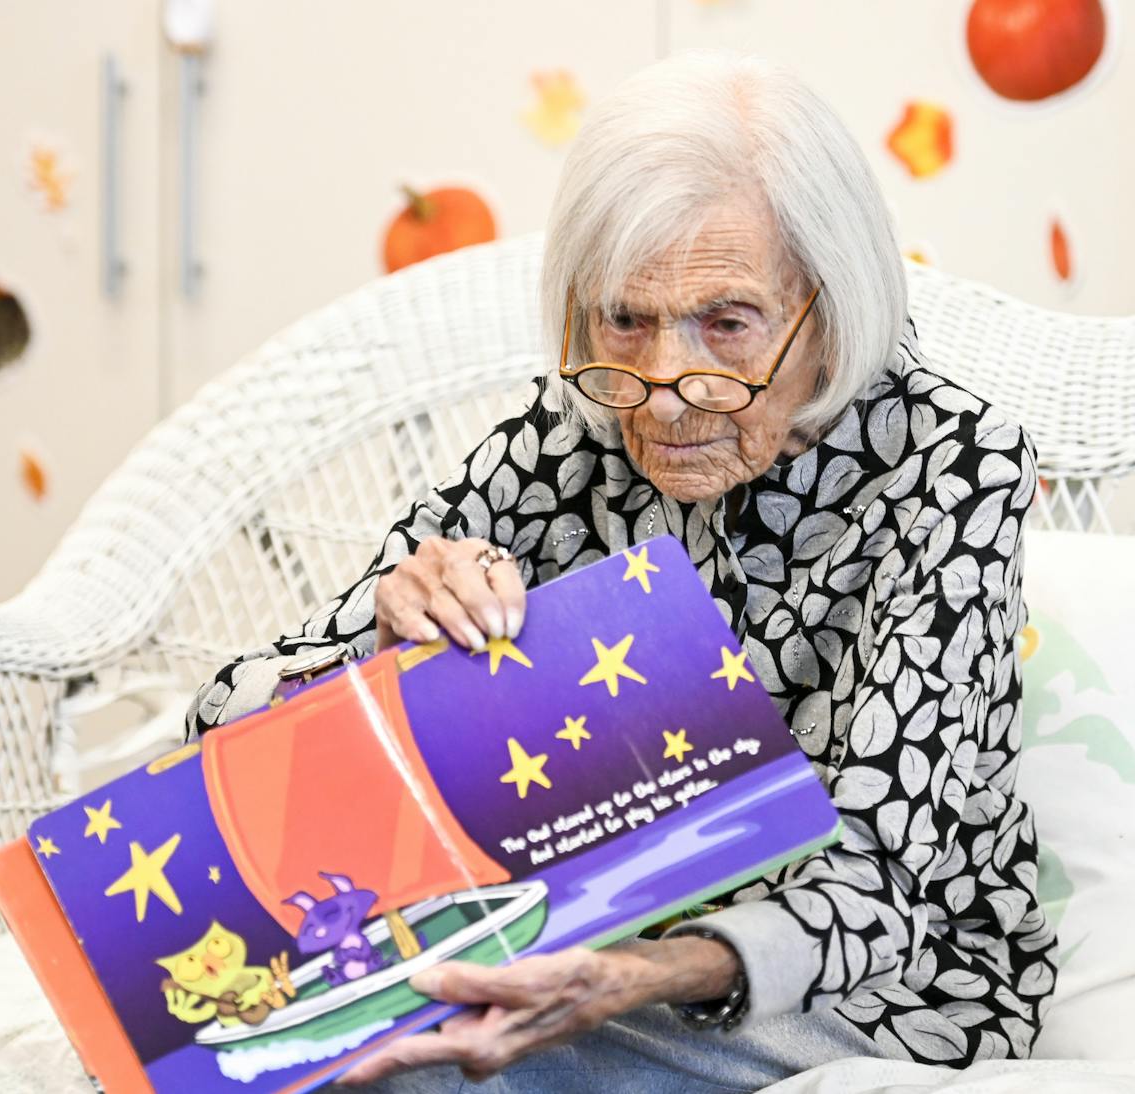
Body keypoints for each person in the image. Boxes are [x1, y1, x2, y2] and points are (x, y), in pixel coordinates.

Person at [187, 49, 1056, 1092]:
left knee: (398, 1069)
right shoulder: (567, 438)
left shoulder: (950, 465)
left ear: (828, 308)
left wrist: (628, 974)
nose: (659, 393)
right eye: (622, 319)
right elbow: (219, 732)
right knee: (216, 1046)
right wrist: (378, 651)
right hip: (569, 946)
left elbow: (882, 876)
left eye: (725, 323)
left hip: (865, 994)